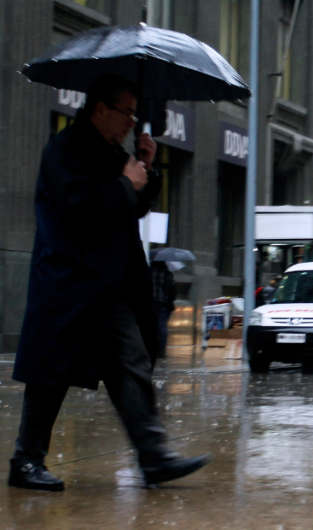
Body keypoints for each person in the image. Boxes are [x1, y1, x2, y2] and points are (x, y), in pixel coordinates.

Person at [8, 75, 211, 492]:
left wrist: (146, 169)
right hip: (69, 282)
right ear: (101, 109)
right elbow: (76, 207)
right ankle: (26, 460)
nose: (132, 122)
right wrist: (124, 184)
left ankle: (153, 456)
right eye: (127, 113)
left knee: (131, 363)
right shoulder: (65, 149)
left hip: (109, 284)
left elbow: (131, 207)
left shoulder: (113, 153)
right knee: (50, 373)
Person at [151, 260, 177, 358]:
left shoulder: (149, 272)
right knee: (162, 325)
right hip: (163, 303)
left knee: (152, 325)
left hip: (151, 302)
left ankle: (152, 348)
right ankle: (161, 350)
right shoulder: (166, 273)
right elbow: (171, 289)